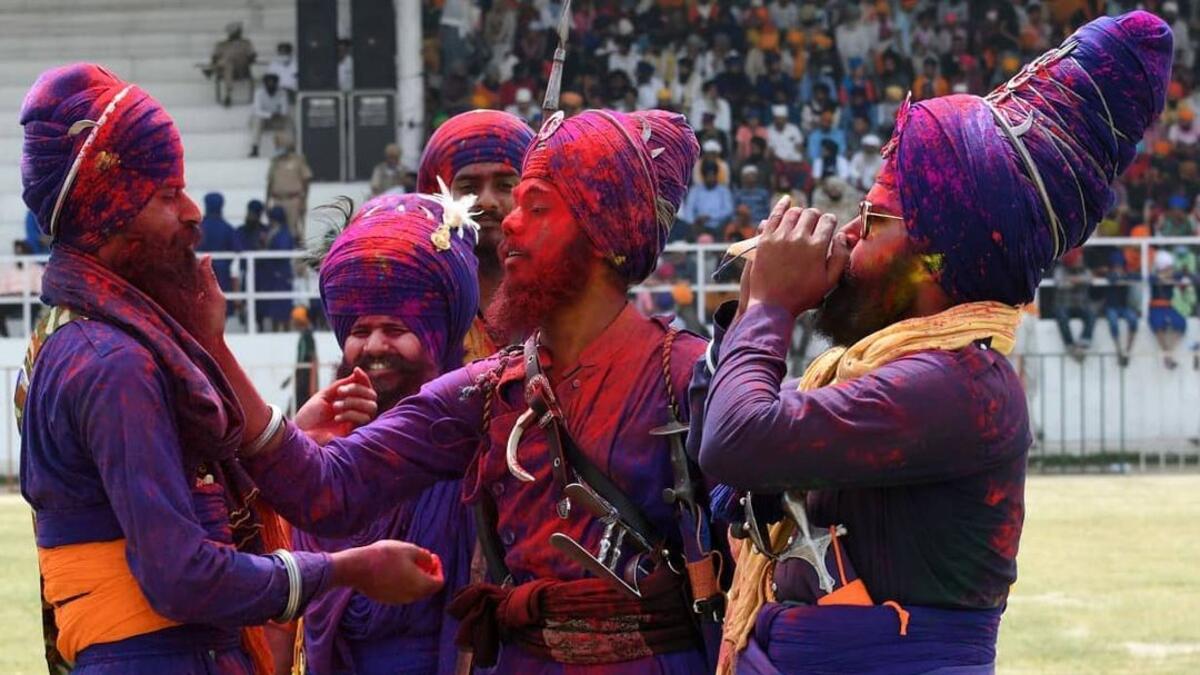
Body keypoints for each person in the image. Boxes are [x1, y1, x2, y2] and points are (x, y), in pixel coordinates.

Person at [693, 13, 1171, 673]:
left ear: (937, 260)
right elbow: (729, 474)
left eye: (874, 217)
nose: (852, 232)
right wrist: (752, 312)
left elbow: (737, 439)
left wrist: (772, 306)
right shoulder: (883, 368)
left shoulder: (960, 387)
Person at [198, 109, 725, 674]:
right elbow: (329, 488)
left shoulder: (689, 374)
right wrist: (215, 347)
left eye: (535, 205)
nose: (507, 222)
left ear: (604, 231)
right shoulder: (487, 389)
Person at [15, 63, 444, 674]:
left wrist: (294, 434)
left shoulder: (73, 341)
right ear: (110, 217)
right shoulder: (113, 365)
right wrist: (348, 569)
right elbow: (181, 576)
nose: (193, 214)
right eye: (167, 195)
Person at [295, 193, 482, 674]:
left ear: (438, 331)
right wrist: (302, 452)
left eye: (396, 328)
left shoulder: (479, 436)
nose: (374, 347)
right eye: (360, 329)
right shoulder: (322, 438)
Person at [416, 109, 535, 358]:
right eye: (468, 187)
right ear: (437, 197)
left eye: (505, 186)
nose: (487, 201)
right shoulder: (421, 307)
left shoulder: (564, 302)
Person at [267, 133, 313, 244]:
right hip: (277, 200)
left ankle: (298, 259)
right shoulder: (275, 162)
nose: (277, 147)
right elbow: (270, 182)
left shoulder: (298, 160)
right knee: (275, 232)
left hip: (293, 200)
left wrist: (303, 200)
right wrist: (267, 201)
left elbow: (306, 180)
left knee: (294, 232)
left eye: (279, 144)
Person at [1054, 248, 1097, 361]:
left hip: (1081, 305)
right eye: (1078, 258)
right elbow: (1060, 283)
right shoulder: (1061, 269)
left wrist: (1073, 280)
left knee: (1091, 314)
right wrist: (1077, 281)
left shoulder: (1084, 269)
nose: (1080, 259)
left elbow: (1089, 278)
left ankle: (1083, 343)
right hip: (1064, 305)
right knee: (1061, 317)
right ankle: (1070, 345)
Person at [198, 192, 237, 313]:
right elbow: (238, 249)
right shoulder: (227, 228)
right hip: (223, 276)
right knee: (221, 311)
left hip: (201, 276)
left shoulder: (198, 228)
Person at [1150, 249, 1189, 369]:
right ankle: (1167, 353)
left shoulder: (1173, 274)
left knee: (1181, 323)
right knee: (1158, 325)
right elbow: (1152, 279)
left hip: (1168, 306)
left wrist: (1168, 276)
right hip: (1156, 306)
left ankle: (1168, 352)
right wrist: (1163, 277)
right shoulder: (1154, 276)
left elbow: (1180, 275)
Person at [682, 160, 735, 240]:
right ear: (704, 176)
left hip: (719, 226)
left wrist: (710, 216)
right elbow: (688, 210)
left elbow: (728, 210)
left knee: (728, 225)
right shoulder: (695, 190)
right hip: (699, 226)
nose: (710, 178)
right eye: (708, 176)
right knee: (687, 228)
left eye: (712, 175)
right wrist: (695, 220)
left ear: (716, 175)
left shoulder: (723, 191)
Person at [209, 22, 255, 106]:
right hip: (226, 69)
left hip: (241, 68)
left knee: (228, 60)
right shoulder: (221, 44)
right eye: (235, 32)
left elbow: (252, 56)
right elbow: (214, 57)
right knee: (228, 64)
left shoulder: (246, 43)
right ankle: (228, 96)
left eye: (238, 32)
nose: (237, 34)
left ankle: (211, 70)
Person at [250, 73, 291, 158]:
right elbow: (257, 110)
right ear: (265, 84)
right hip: (264, 120)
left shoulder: (282, 93)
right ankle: (255, 148)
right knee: (257, 119)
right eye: (268, 83)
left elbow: (285, 110)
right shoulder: (259, 93)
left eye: (273, 82)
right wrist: (269, 114)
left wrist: (279, 114)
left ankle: (287, 148)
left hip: (277, 119)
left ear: (277, 83)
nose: (271, 84)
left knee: (288, 121)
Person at [291, 305, 318, 414]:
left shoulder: (307, 336)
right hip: (302, 378)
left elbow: (312, 359)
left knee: (303, 408)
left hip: (305, 380)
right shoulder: (304, 335)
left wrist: (312, 384)